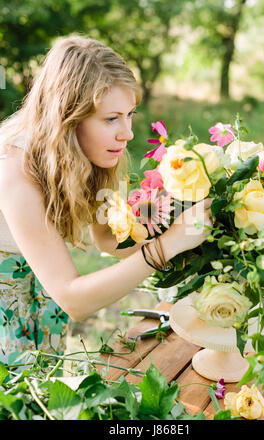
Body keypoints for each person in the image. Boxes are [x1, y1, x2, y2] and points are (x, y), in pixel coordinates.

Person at [0, 35, 213, 368]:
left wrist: (181, 219)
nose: (126, 133)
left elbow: (109, 240)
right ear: (68, 118)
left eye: (129, 114)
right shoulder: (14, 169)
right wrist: (166, 247)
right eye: (111, 119)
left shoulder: (87, 154)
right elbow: (72, 298)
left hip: (38, 298)